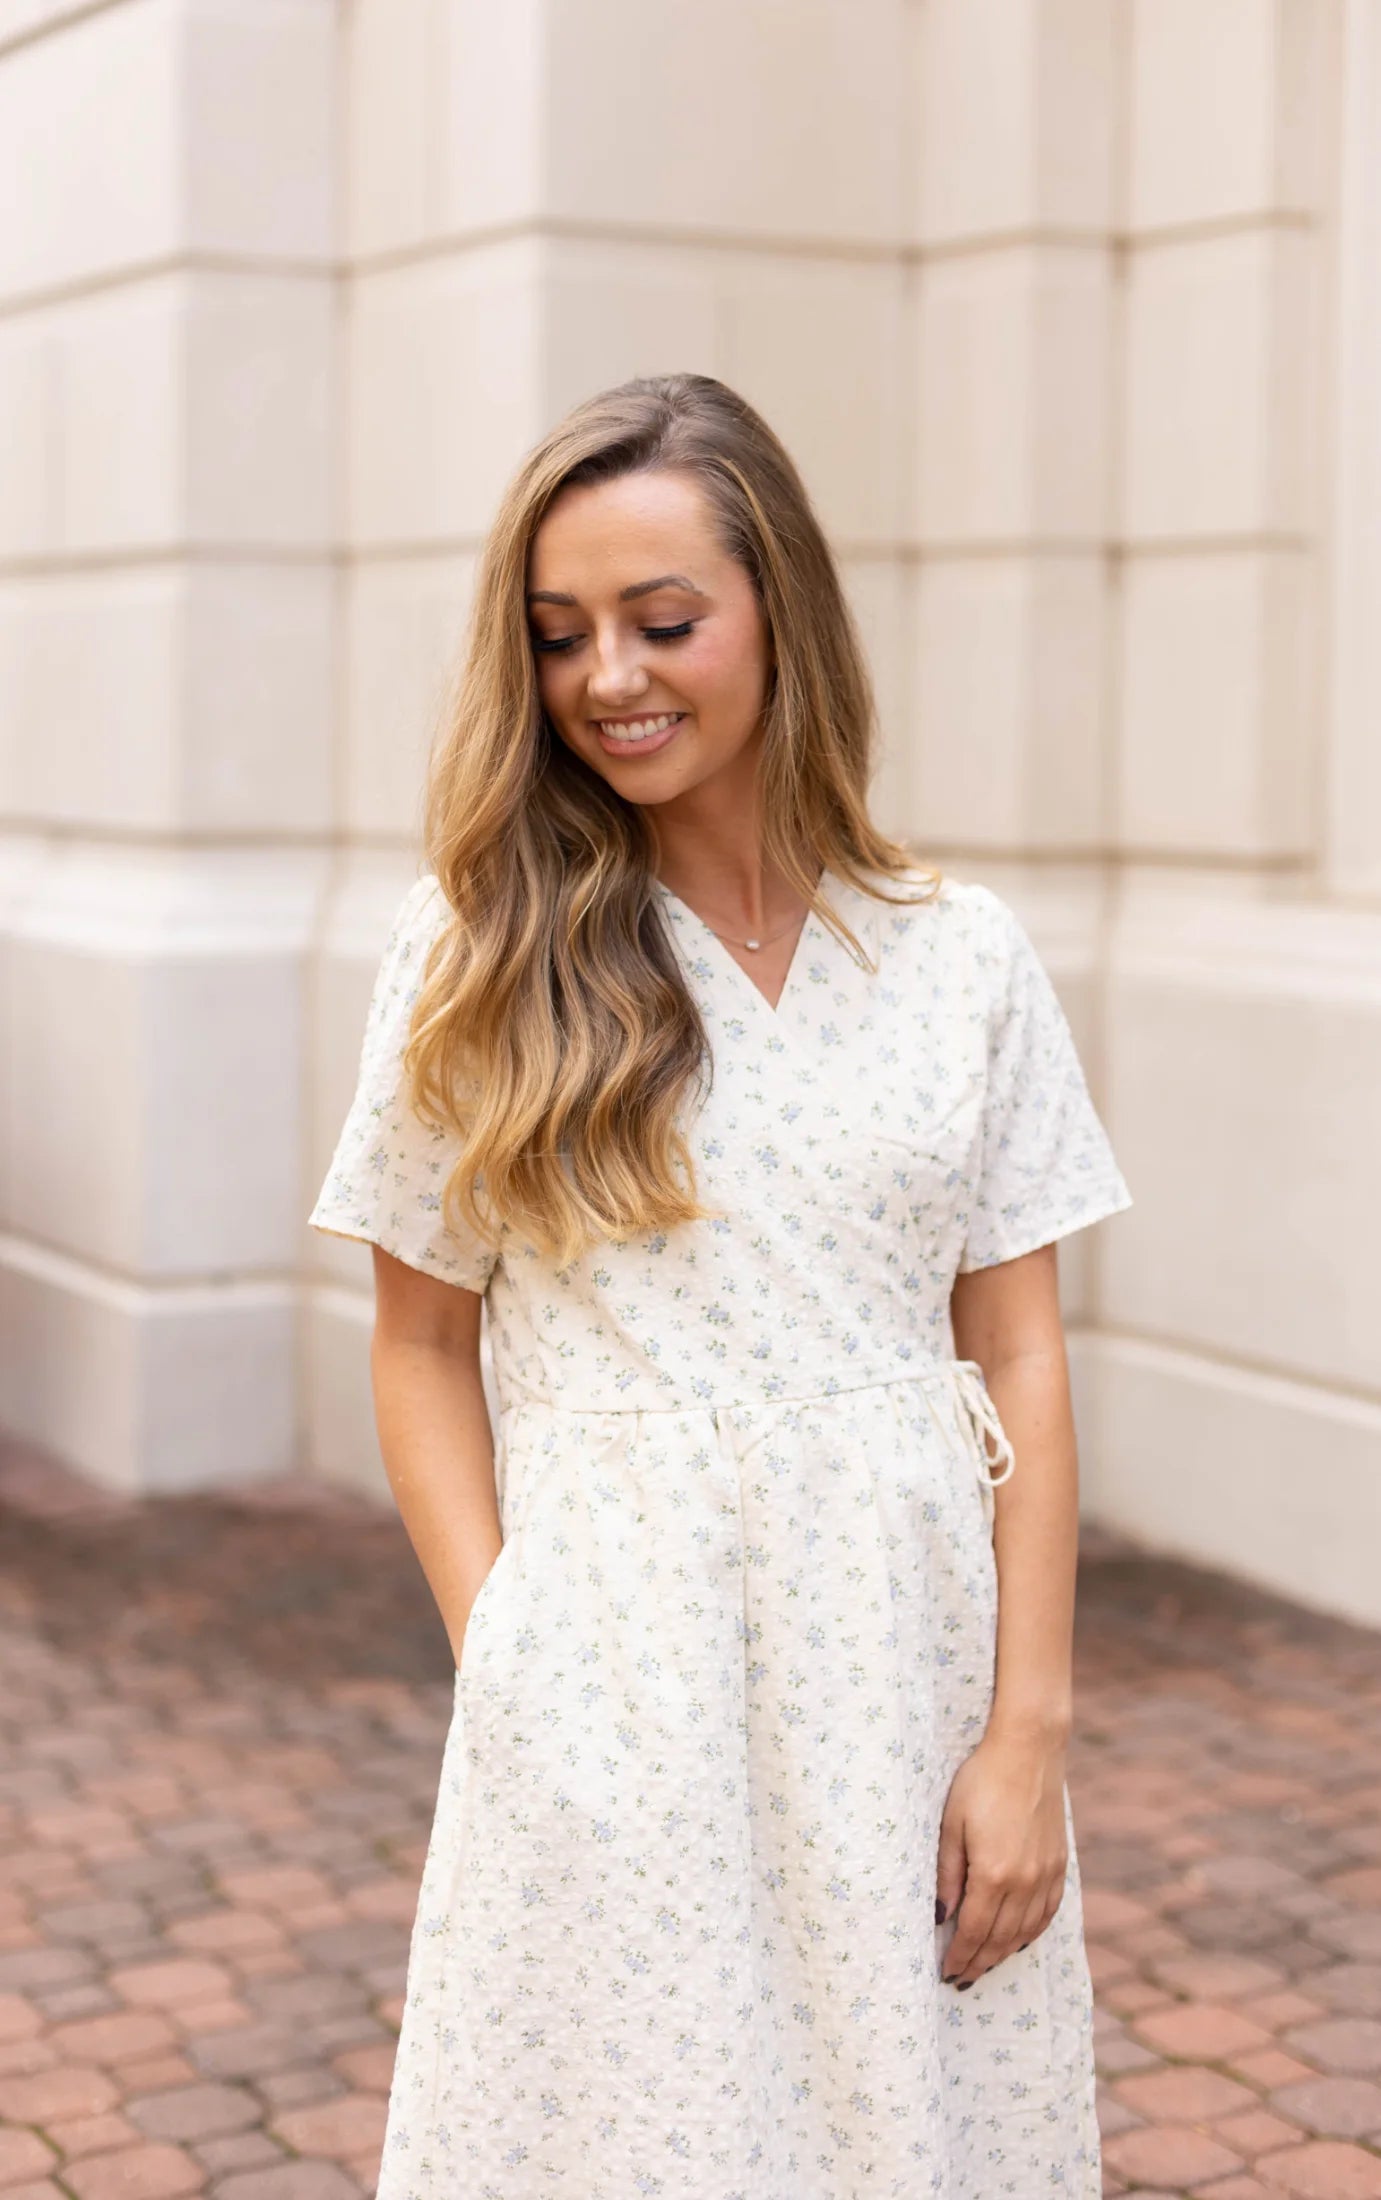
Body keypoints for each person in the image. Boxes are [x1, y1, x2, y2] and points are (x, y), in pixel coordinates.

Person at [310, 371, 1132, 2198]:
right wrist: (501, 1648)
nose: (609, 674)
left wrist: (1027, 1734)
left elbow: (1018, 1352)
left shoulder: (955, 957)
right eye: (558, 634)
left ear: (781, 612)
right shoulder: (478, 946)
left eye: (662, 620)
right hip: (613, 1677)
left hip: (904, 1672)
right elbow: (418, 1340)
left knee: (909, 2134)